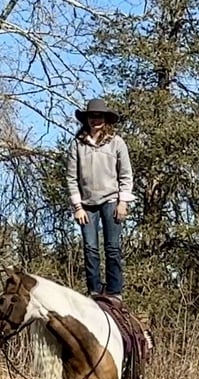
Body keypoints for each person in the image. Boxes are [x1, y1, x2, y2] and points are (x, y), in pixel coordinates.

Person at [66, 98, 135, 300]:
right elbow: (71, 177)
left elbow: (126, 174)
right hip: (86, 204)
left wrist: (123, 202)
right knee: (90, 248)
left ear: (105, 119)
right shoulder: (77, 145)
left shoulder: (116, 143)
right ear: (86, 119)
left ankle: (115, 292)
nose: (95, 120)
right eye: (92, 116)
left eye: (99, 116)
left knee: (112, 247)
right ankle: (94, 290)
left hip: (111, 201)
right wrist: (77, 206)